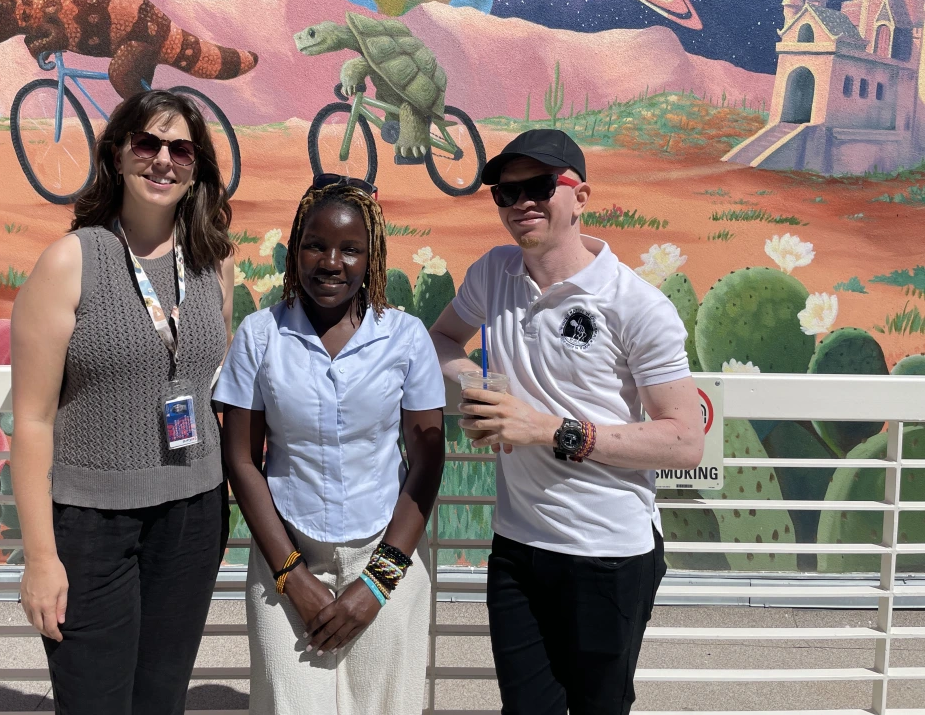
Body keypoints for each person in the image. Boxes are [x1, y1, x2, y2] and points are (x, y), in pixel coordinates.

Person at [429, 129, 705, 715]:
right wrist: (480, 388)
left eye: (538, 186)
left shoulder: (636, 304)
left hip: (607, 553)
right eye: (506, 193)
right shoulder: (492, 274)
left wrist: (546, 428)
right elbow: (443, 338)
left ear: (580, 196)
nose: (520, 203)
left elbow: (684, 439)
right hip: (516, 547)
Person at [10, 90, 235, 715]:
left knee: (161, 698)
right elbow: (30, 421)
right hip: (91, 525)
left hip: (193, 515)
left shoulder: (214, 263)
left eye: (181, 149)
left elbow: (206, 376)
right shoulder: (70, 261)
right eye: (147, 144)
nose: (163, 161)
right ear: (117, 153)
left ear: (197, 169)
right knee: (94, 702)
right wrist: (39, 558)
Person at [215, 177, 446, 715]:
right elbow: (242, 459)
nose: (331, 262)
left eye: (350, 249)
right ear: (296, 249)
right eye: (316, 245)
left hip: (386, 556)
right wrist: (292, 578)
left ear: (373, 258)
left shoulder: (405, 336)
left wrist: (380, 581)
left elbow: (427, 457)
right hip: (286, 558)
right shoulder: (259, 334)